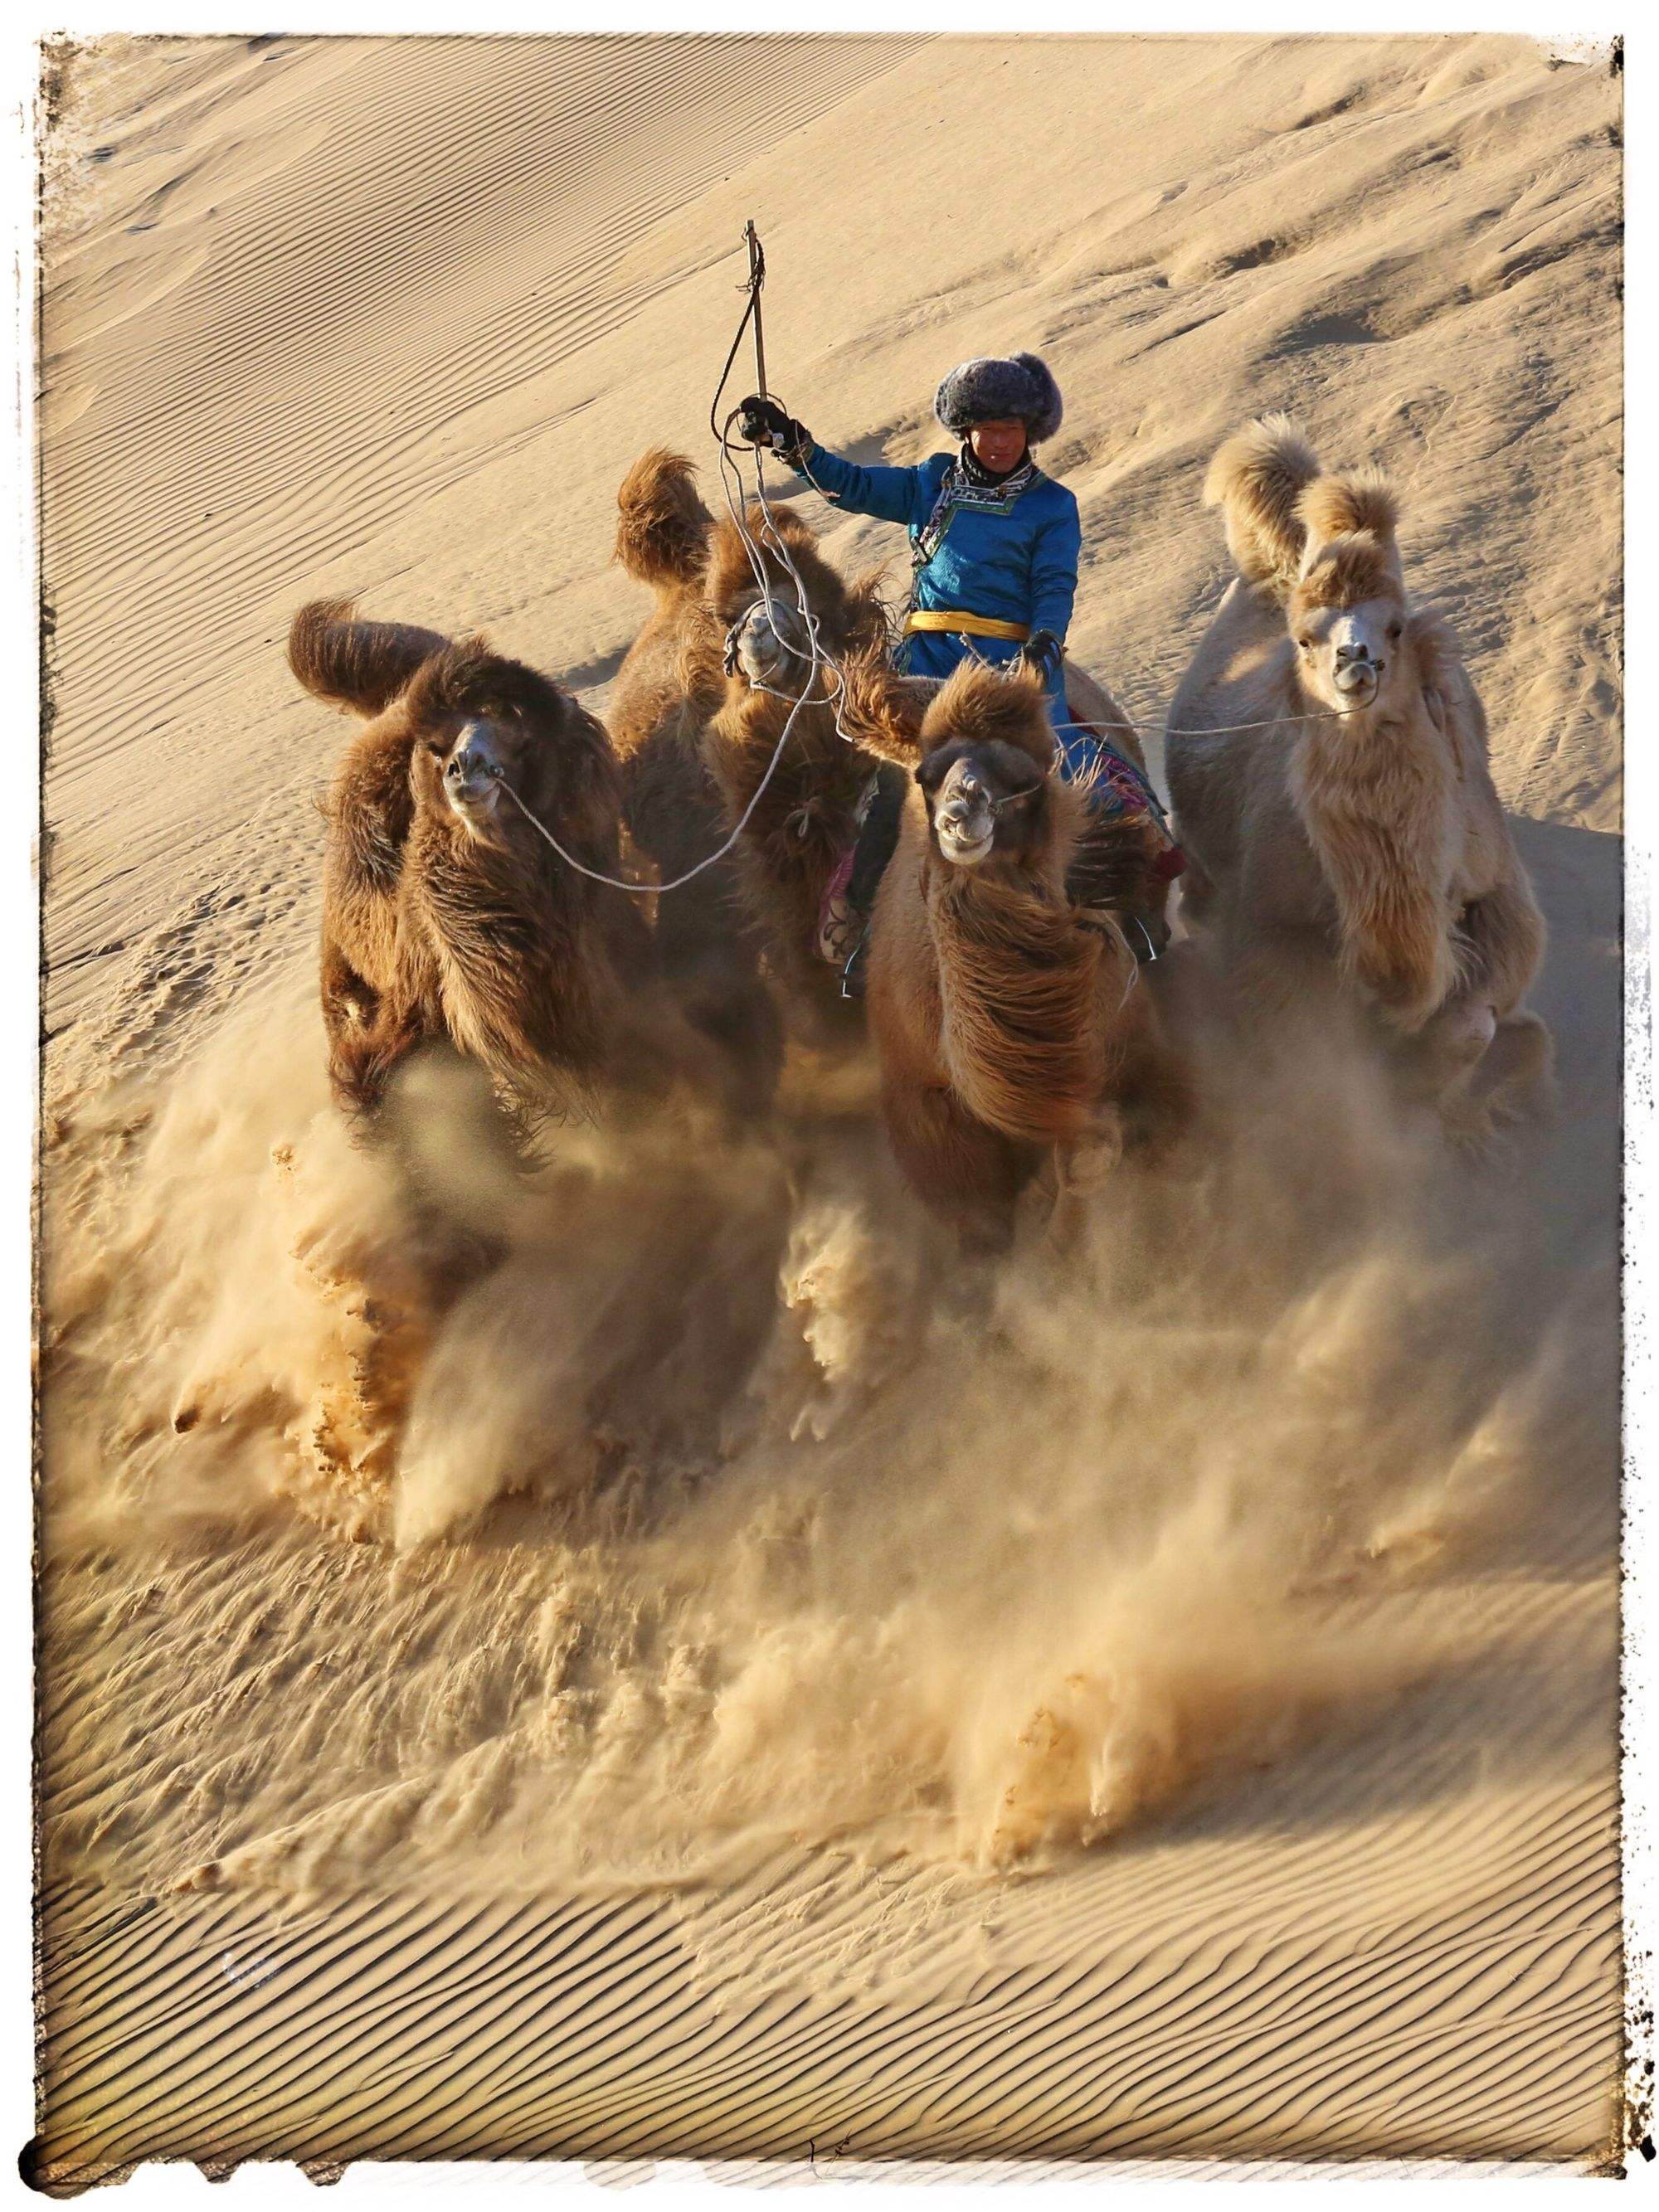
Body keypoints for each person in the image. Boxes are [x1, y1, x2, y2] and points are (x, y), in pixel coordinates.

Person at [737, 354, 1172, 977]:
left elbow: (1055, 580)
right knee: (887, 790)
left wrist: (1047, 639)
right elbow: (853, 485)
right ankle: (863, 927)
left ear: (1030, 433)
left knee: (1081, 776)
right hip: (925, 661)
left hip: (1013, 663)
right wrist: (792, 444)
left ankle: (1135, 917)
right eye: (988, 429)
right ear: (965, 431)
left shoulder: (1052, 505)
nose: (1000, 442)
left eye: (1012, 430)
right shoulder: (930, 483)